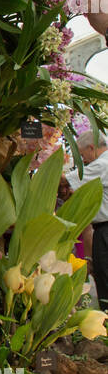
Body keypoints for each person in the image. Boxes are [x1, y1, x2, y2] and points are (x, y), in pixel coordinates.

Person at [65, 121, 108, 308]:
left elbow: (65, 179)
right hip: (102, 230)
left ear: (92, 147)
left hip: (106, 231)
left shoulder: (102, 164)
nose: (84, 161)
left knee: (105, 277)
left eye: (82, 156)